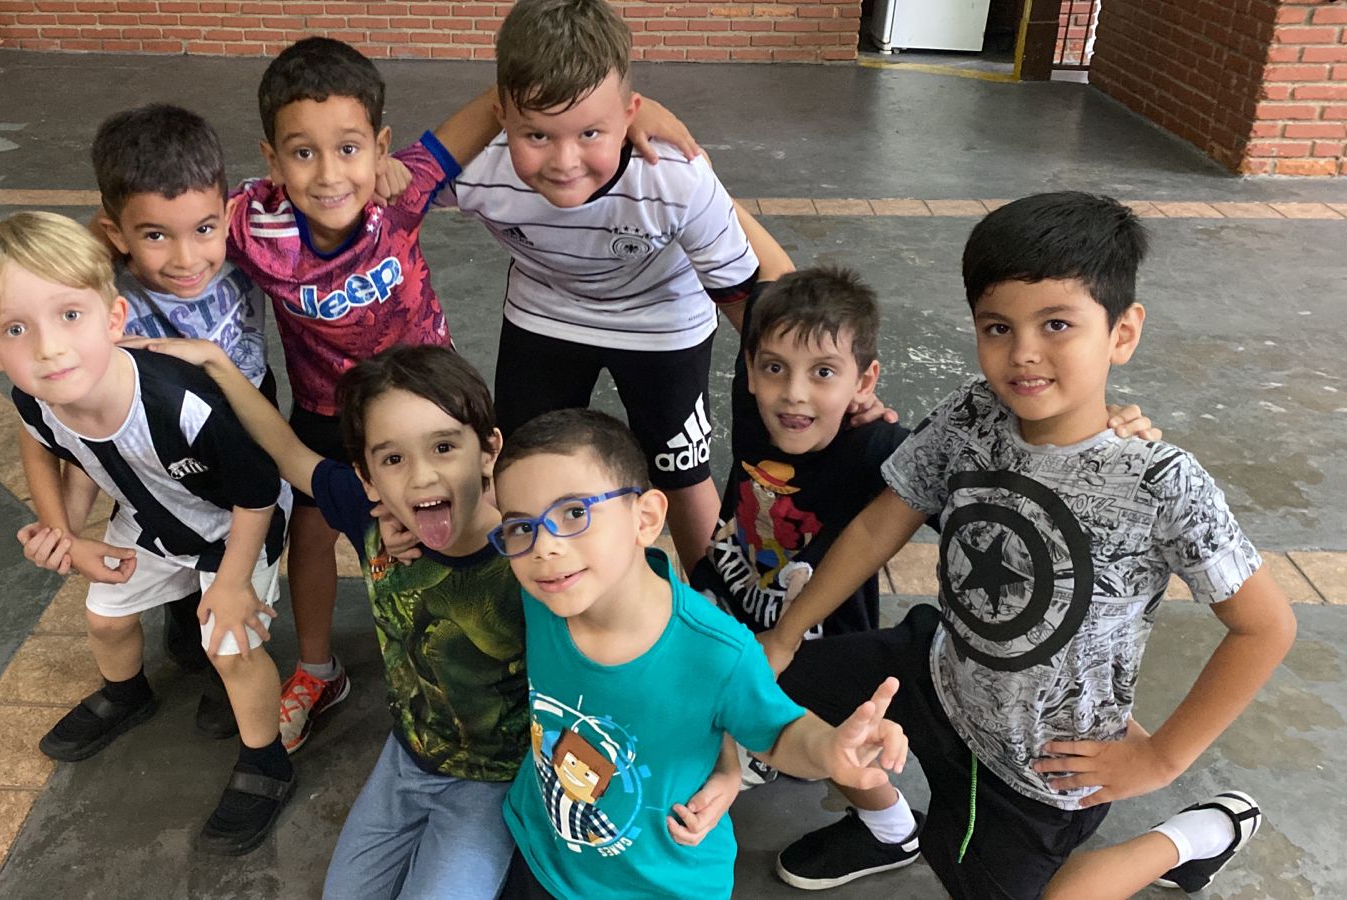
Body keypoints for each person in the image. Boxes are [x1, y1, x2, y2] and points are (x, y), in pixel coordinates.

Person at [757, 192, 1295, 898]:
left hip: (1042, 763)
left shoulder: (1161, 480)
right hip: (934, 673)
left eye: (1057, 324)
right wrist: (785, 635)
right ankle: (888, 828)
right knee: (760, 689)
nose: (1024, 354)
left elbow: (1266, 626)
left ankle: (1200, 833)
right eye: (998, 327)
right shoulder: (971, 413)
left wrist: (1162, 759)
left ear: (1123, 333)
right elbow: (879, 524)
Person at [230, 37, 697, 752]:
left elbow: (494, 106)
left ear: (379, 146)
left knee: (480, 514)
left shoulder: (401, 189)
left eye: (349, 149)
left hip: (435, 405)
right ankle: (319, 670)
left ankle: (536, 651)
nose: (328, 174)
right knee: (314, 533)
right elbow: (169, 221)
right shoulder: (248, 223)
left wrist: (636, 109)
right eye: (303, 153)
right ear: (271, 159)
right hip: (328, 410)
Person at [126, 338, 524, 898]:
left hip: (499, 779)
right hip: (408, 760)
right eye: (392, 459)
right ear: (367, 478)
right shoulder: (369, 516)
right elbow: (289, 454)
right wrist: (216, 362)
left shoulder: (536, 560)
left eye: (444, 447)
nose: (421, 478)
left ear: (488, 451)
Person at [0, 211, 296, 856]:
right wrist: (64, 534)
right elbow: (45, 445)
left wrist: (232, 584)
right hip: (149, 519)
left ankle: (267, 759)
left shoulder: (179, 402)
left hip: (235, 527)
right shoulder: (36, 395)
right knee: (105, 619)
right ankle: (127, 693)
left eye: (69, 315)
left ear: (114, 318)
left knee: (230, 649)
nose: (49, 348)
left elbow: (257, 493)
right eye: (16, 330)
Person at [490, 407, 910, 899]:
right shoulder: (543, 596)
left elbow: (777, 733)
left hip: (661, 886)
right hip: (542, 852)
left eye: (574, 513)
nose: (543, 547)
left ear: (646, 518)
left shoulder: (717, 651)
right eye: (522, 527)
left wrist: (829, 750)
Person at [448, 0, 762, 573]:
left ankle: (716, 601)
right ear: (501, 119)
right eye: (536, 134)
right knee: (520, 465)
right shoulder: (477, 166)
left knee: (682, 475)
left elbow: (747, 297)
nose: (564, 161)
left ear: (630, 114)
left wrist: (806, 376)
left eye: (590, 131)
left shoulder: (675, 175)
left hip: (664, 321)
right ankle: (521, 602)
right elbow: (388, 184)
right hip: (546, 313)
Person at [20, 103, 272, 740]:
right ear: (117, 233)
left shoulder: (247, 239)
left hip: (245, 439)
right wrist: (62, 531)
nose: (187, 258)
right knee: (163, 553)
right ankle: (137, 683)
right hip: (152, 452)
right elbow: (57, 430)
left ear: (225, 216)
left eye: (203, 229)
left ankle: (218, 659)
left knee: (226, 617)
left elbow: (320, 192)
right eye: (156, 235)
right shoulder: (95, 294)